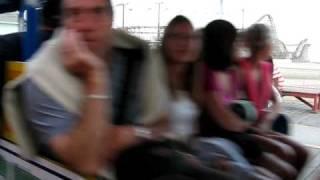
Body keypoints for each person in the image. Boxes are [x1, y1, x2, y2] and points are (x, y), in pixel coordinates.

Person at [4, 0, 159, 175]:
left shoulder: (138, 54)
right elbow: (87, 162)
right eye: (75, 14)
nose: (87, 24)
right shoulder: (41, 77)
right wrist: (95, 77)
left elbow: (162, 123)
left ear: (111, 19)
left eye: (97, 12)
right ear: (63, 23)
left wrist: (136, 133)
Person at [198, 19, 298, 180]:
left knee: (286, 148)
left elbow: (240, 106)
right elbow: (224, 117)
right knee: (283, 156)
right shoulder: (213, 72)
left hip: (240, 127)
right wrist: (253, 128)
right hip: (224, 133)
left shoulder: (231, 71)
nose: (240, 44)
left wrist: (259, 124)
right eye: (235, 40)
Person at [239, 23, 308, 173]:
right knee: (285, 153)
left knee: (302, 152)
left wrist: (268, 119)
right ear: (265, 44)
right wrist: (258, 126)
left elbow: (277, 99)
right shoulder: (240, 68)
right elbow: (236, 109)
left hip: (262, 124)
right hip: (246, 129)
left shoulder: (265, 67)